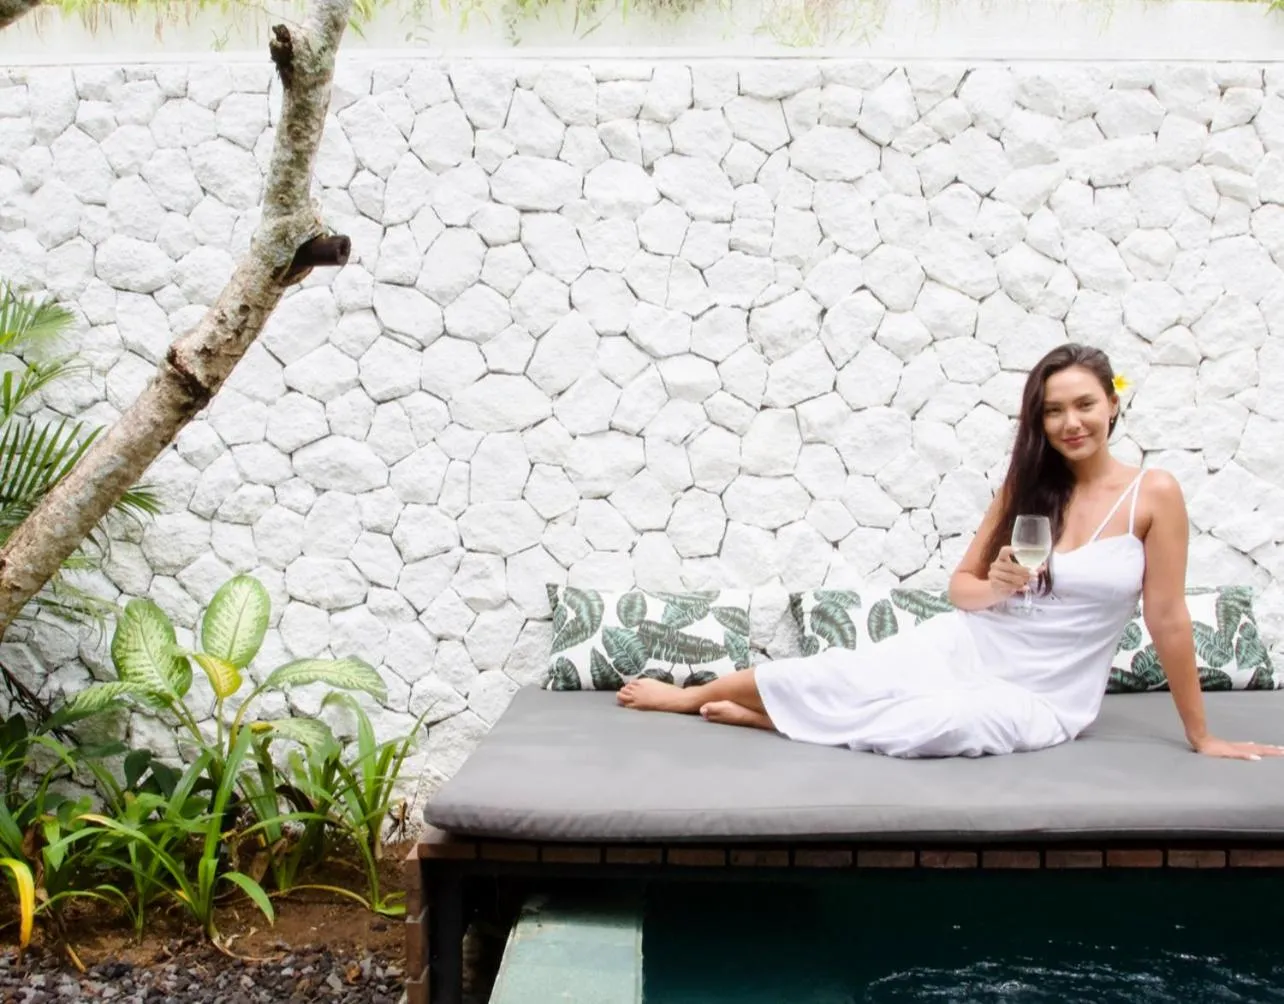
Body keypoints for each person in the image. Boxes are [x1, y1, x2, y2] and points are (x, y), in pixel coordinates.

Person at [618, 343, 1283, 762]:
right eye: (1053, 412)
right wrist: (998, 586)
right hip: (969, 643)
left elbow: (1167, 617)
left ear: (1112, 405)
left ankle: (767, 724)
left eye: (1084, 405)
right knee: (829, 673)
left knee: (944, 725)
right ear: (1039, 422)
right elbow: (961, 591)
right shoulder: (1026, 489)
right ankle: (696, 696)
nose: (1070, 423)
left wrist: (1201, 735)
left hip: (1046, 693)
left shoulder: (1154, 493)